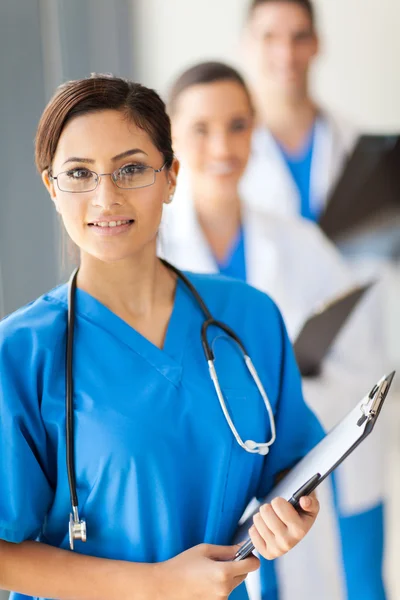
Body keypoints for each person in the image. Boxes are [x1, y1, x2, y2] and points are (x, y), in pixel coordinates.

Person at [0, 74, 322, 600]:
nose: (106, 197)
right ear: (52, 188)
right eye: (79, 173)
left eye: (131, 169)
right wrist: (156, 585)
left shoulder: (249, 317)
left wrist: (296, 513)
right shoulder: (22, 352)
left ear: (171, 176)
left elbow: (292, 468)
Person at [161, 61, 387, 600]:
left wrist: (283, 395)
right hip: (200, 495)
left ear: (255, 128)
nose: (222, 147)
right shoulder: (153, 251)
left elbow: (361, 362)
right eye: (201, 129)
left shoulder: (301, 245)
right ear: (169, 137)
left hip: (287, 487)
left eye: (237, 126)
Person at [239, 0, 358, 221]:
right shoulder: (224, 147)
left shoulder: (351, 140)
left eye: (299, 37)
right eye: (270, 37)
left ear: (317, 44)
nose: (287, 54)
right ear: (247, 45)